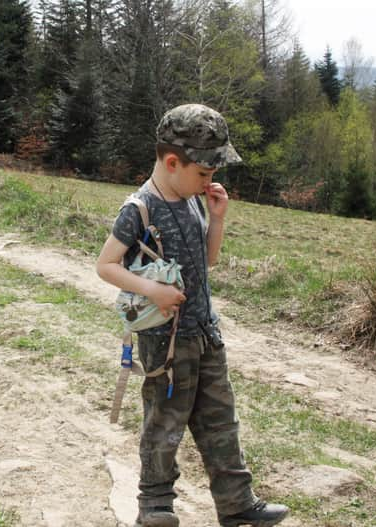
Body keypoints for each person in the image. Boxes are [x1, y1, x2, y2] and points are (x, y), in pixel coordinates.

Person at [96, 104, 289, 527]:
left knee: (221, 422)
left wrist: (216, 220)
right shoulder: (140, 208)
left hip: (206, 333)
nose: (210, 181)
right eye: (204, 173)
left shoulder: (193, 202)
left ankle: (238, 506)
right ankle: (155, 507)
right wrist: (154, 290)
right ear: (171, 162)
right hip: (165, 342)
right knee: (165, 425)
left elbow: (208, 261)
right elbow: (106, 265)